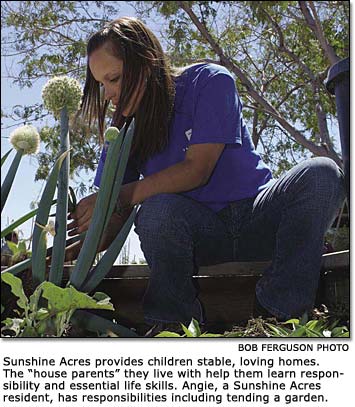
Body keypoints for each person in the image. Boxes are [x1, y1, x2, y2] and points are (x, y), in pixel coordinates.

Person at [66, 17, 345, 335]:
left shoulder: (209, 81)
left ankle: (277, 315)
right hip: (199, 236)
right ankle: (174, 325)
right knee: (156, 211)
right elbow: (113, 216)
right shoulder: (124, 129)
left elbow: (197, 170)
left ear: (145, 62)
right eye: (101, 84)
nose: (107, 94)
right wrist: (68, 249)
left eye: (113, 79)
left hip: (258, 218)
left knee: (322, 173)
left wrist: (117, 196)